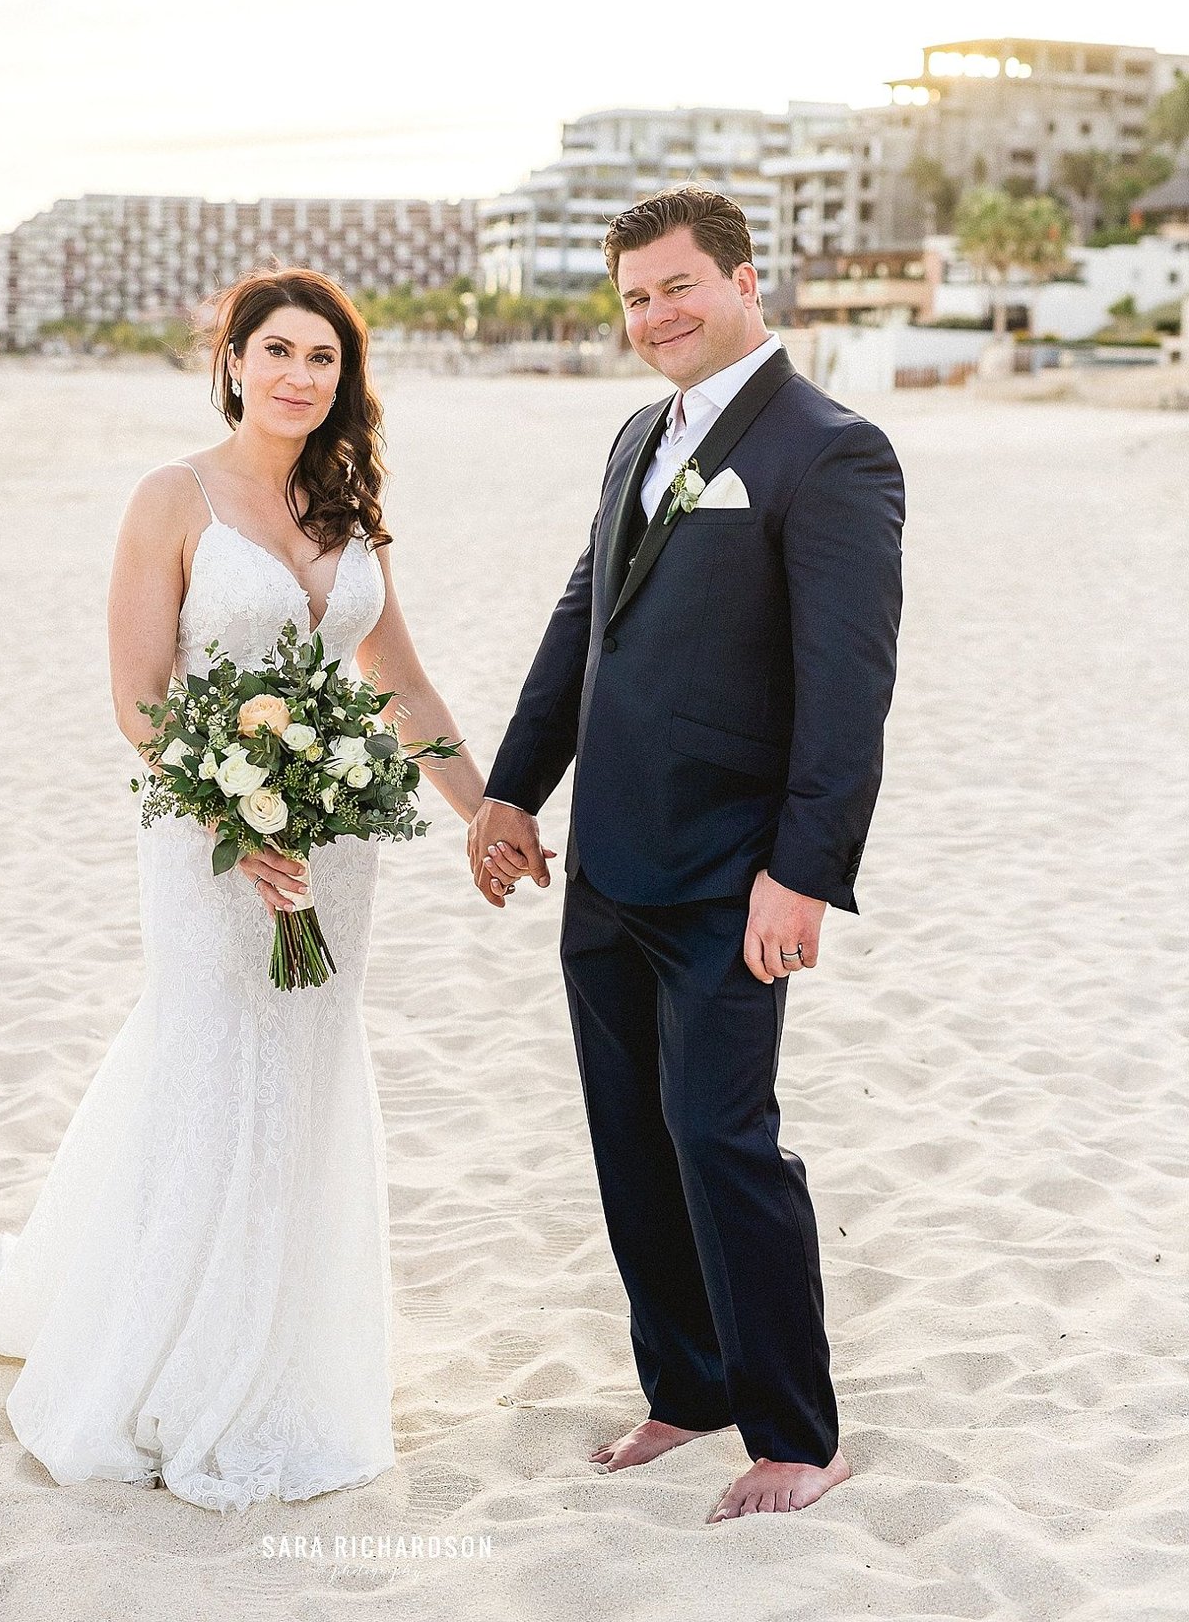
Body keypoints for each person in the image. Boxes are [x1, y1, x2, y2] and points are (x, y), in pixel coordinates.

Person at [0, 267, 488, 1510]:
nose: (302, 376)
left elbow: (398, 681)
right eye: (280, 352)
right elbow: (142, 699)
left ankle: (284, 1354)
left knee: (304, 1069)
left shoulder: (347, 507)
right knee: (207, 1056)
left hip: (335, 850)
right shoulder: (173, 497)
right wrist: (229, 818)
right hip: (209, 846)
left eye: (325, 359)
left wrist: (486, 810)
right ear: (235, 361)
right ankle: (168, 1356)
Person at [471, 186, 904, 1523]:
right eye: (634, 297)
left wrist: (805, 870)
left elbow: (848, 689)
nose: (654, 316)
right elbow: (580, 616)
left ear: (746, 280)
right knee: (631, 1140)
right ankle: (688, 1389)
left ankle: (795, 1436)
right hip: (604, 864)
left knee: (723, 1139)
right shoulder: (637, 437)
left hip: (734, 871)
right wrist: (512, 790)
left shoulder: (831, 451)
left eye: (677, 287)